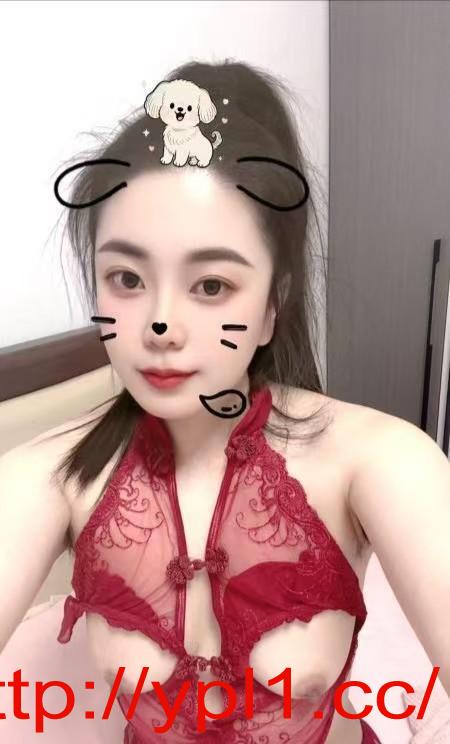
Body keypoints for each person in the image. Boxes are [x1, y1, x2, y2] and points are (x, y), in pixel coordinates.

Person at [1, 58, 449, 743]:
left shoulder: (381, 461)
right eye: (126, 278)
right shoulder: (47, 476)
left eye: (211, 286)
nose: (161, 326)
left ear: (273, 304)